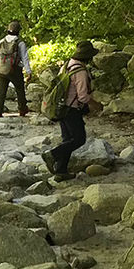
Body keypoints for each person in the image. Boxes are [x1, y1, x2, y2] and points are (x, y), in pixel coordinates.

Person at [42, 42, 98, 178]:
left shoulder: (68, 64)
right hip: (72, 109)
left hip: (61, 107)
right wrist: (96, 104)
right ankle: (52, 155)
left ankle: (61, 171)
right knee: (79, 139)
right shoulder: (81, 72)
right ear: (88, 57)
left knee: (67, 139)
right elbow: (83, 97)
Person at [0, 21, 31, 117]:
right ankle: (22, 110)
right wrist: (28, 72)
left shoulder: (1, 42)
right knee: (20, 89)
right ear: (18, 31)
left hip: (1, 70)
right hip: (15, 70)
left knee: (1, 92)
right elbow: (25, 58)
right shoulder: (20, 43)